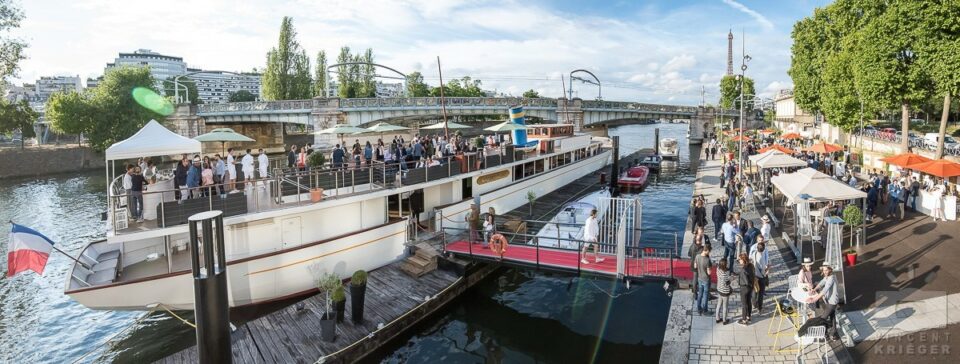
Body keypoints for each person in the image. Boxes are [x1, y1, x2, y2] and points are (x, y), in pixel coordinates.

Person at [808, 264, 840, 340]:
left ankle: (825, 333)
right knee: (832, 316)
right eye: (823, 270)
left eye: (826, 270)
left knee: (823, 318)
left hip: (832, 302)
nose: (824, 272)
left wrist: (814, 299)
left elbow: (825, 290)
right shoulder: (827, 277)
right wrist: (814, 289)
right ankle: (833, 333)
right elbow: (822, 282)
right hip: (829, 300)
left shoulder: (831, 278)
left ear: (830, 269)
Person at [749, 239, 770, 314]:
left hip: (754, 275)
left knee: (754, 290)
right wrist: (768, 268)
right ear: (763, 249)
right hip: (761, 277)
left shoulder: (754, 253)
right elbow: (763, 269)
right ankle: (759, 308)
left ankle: (754, 304)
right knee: (761, 293)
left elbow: (750, 260)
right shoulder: (761, 257)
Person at [688, 227, 707, 298]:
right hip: (701, 265)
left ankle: (695, 292)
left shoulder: (692, 246)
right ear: (701, 240)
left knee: (695, 278)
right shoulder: (702, 249)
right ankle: (702, 291)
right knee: (701, 278)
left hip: (693, 264)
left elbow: (689, 254)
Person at [693, 245, 712, 315]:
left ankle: (698, 308)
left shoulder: (697, 256)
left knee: (700, 294)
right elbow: (709, 273)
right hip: (706, 279)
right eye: (709, 251)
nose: (709, 253)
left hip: (699, 278)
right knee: (705, 295)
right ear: (706, 250)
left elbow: (695, 266)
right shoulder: (707, 260)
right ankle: (705, 310)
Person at [737, 253, 755, 325]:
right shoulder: (750, 266)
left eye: (740, 259)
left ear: (743, 260)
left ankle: (744, 319)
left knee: (744, 304)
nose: (739, 261)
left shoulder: (743, 270)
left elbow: (746, 281)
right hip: (750, 288)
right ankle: (748, 316)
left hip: (744, 288)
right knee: (748, 302)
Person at [715, 259, 733, 324]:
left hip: (719, 289)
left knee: (719, 304)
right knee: (725, 306)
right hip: (725, 291)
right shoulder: (725, 273)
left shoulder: (718, 269)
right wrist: (731, 279)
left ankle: (717, 318)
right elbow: (726, 284)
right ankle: (724, 320)